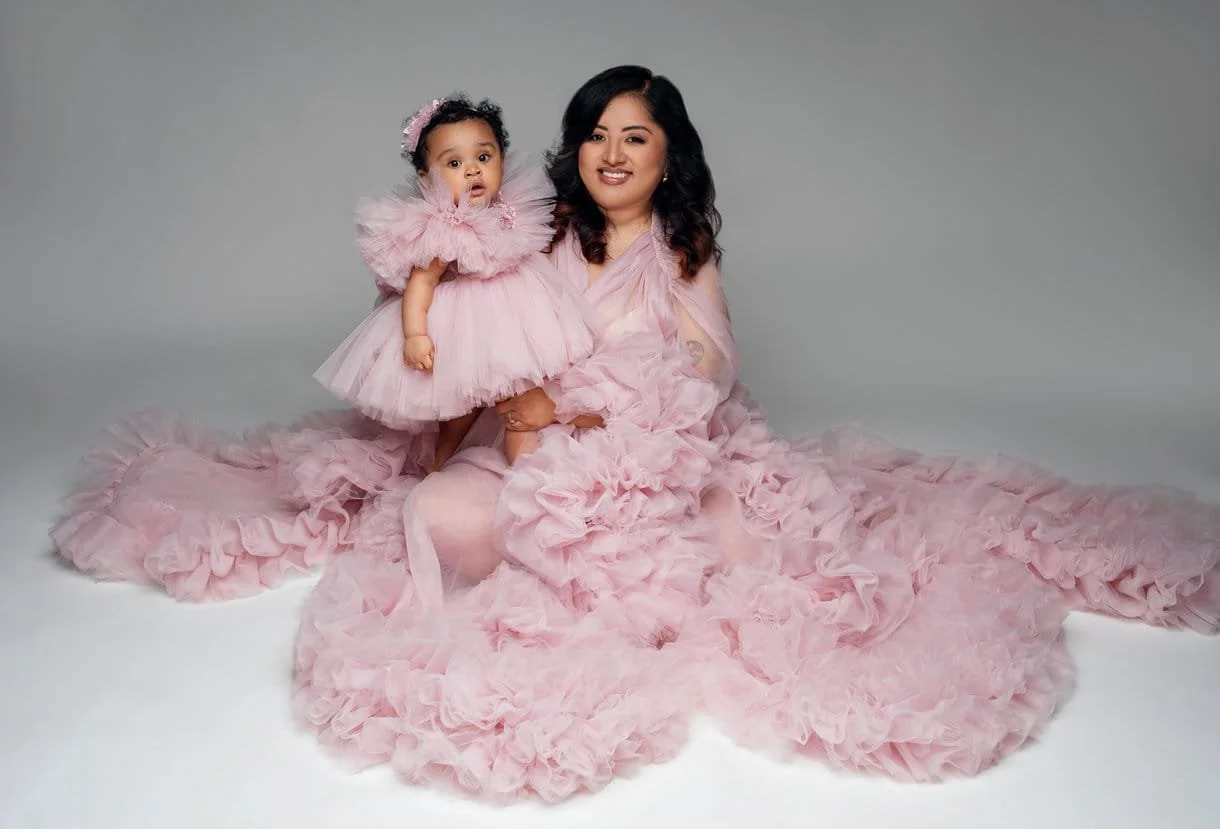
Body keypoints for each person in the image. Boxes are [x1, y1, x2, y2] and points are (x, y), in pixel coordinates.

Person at [52, 66, 1219, 804]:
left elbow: (707, 368)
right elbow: (460, 311)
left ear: (667, 160)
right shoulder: (540, 231)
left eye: (638, 140)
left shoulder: (682, 253)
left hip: (640, 448)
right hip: (517, 443)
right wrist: (453, 342)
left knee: (733, 549)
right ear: (574, 150)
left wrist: (593, 400)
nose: (613, 153)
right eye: (597, 135)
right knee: (433, 513)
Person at [314, 94, 594, 470]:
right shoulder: (443, 226)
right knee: (462, 402)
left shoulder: (513, 209)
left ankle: (525, 459)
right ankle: (444, 459)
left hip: (514, 315)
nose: (473, 171)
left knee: (519, 391)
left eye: (484, 157)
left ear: (501, 160)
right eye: (454, 163)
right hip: (463, 325)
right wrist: (415, 335)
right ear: (428, 177)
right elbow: (421, 284)